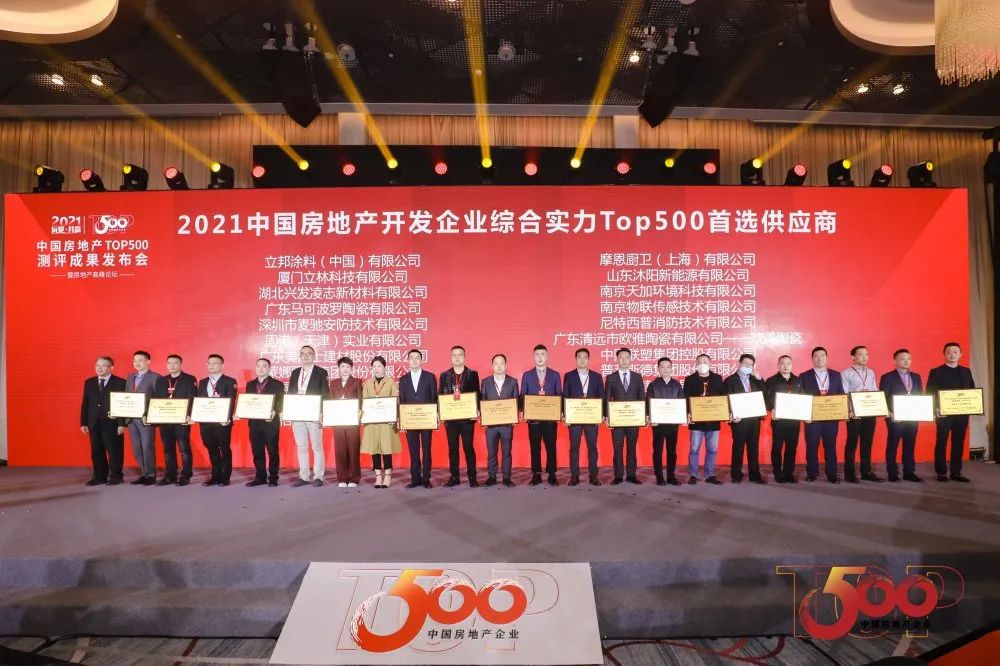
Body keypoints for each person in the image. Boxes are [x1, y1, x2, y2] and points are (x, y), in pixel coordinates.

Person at [926, 342, 975, 482]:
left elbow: (972, 391)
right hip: (943, 413)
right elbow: (929, 392)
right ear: (944, 354)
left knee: (958, 442)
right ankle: (941, 472)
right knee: (941, 441)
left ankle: (956, 472)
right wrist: (934, 408)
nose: (952, 354)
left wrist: (974, 405)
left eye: (955, 352)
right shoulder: (936, 371)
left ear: (960, 355)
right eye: (949, 352)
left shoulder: (966, 371)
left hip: (962, 413)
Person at [150, 354, 197, 486]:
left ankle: (186, 475)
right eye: (169, 363)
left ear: (180, 364)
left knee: (184, 449)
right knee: (168, 449)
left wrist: (189, 415)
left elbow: (193, 398)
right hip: (165, 420)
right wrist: (154, 415)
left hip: (182, 420)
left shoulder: (189, 379)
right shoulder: (161, 381)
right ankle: (170, 475)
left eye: (175, 363)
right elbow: (157, 400)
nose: (172, 365)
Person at [799, 347, 844, 483]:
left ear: (826, 358)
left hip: (831, 418)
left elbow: (841, 394)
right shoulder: (804, 375)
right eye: (816, 356)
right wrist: (804, 415)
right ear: (812, 359)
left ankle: (832, 474)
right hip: (812, 418)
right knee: (812, 446)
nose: (820, 359)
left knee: (830, 446)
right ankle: (812, 473)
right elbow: (801, 397)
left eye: (822, 356)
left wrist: (842, 411)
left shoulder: (836, 375)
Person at [79, 356, 126, 486]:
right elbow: (85, 403)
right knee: (96, 451)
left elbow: (124, 404)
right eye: (97, 365)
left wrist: (122, 424)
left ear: (111, 368)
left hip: (112, 423)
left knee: (114, 450)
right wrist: (83, 423)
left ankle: (116, 476)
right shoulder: (89, 382)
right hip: (93, 422)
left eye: (103, 365)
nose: (99, 368)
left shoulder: (121, 382)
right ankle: (99, 476)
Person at [880, 349, 924, 483]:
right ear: (895, 361)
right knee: (893, 445)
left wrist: (923, 411)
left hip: (912, 416)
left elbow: (921, 396)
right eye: (903, 359)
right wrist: (889, 413)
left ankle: (909, 472)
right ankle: (892, 473)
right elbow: (883, 397)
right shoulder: (887, 377)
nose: (906, 361)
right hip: (895, 418)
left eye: (908, 359)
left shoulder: (916, 377)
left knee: (910, 445)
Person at [288, 345, 330, 488]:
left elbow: (325, 394)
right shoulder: (295, 373)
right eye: (303, 353)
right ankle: (304, 476)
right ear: (300, 356)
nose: (306, 356)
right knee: (301, 446)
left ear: (314, 356)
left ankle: (318, 476)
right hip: (297, 414)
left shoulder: (321, 372)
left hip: (313, 414)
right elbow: (290, 393)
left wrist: (322, 412)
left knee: (317, 447)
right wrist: (288, 411)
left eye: (309, 353)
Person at [841, 345, 884, 483]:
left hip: (869, 412)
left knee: (867, 443)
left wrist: (878, 407)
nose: (865, 357)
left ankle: (866, 472)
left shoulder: (871, 372)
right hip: (854, 414)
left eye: (866, 354)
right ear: (853, 357)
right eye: (861, 354)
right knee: (852, 443)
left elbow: (874, 390)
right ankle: (849, 474)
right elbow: (844, 393)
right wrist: (849, 411)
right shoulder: (846, 373)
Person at [520, 344, 562, 486]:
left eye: (542, 354)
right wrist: (523, 410)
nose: (540, 357)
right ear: (534, 357)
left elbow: (559, 395)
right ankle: (536, 474)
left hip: (550, 419)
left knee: (551, 446)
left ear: (547, 356)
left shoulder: (555, 375)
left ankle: (552, 474)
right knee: (535, 447)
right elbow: (523, 395)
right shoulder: (527, 375)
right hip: (533, 419)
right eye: (537, 354)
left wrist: (559, 412)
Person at [439, 345, 480, 487]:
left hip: (467, 419)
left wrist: (477, 410)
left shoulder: (472, 374)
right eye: (454, 355)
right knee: (453, 449)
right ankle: (454, 477)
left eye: (460, 354)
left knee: (468, 448)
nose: (457, 357)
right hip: (451, 420)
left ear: (464, 356)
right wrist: (440, 412)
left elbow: (477, 393)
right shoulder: (444, 375)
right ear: (451, 357)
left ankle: (472, 477)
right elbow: (440, 395)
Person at [563, 348, 605, 486]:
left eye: (585, 357)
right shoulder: (569, 376)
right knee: (574, 447)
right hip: (574, 418)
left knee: (592, 447)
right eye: (579, 357)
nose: (582, 359)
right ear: (576, 359)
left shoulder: (596, 377)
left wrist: (601, 415)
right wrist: (566, 415)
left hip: (591, 418)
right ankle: (574, 476)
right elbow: (565, 396)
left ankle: (594, 476)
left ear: (588, 359)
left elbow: (602, 397)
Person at [683, 353, 726, 485]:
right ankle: (693, 474)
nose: (702, 364)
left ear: (710, 363)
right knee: (694, 450)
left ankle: (710, 474)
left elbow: (723, 398)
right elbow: (686, 398)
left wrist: (724, 413)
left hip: (713, 422)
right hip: (696, 422)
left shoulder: (717, 378)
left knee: (712, 450)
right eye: (699, 362)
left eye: (705, 362)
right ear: (696, 364)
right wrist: (688, 413)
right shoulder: (690, 379)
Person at [724, 353, 767, 484]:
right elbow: (726, 399)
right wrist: (731, 415)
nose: (747, 366)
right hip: (739, 419)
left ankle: (755, 474)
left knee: (753, 447)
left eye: (750, 365)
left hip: (754, 419)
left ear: (753, 367)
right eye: (745, 363)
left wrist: (759, 379)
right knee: (738, 447)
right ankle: (736, 475)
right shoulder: (730, 380)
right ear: (739, 363)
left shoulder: (755, 379)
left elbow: (765, 394)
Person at [398, 349, 438, 488]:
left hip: (426, 419)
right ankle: (415, 479)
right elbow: (402, 400)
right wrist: (402, 419)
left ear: (421, 360)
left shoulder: (430, 377)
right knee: (413, 451)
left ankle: (426, 478)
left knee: (426, 450)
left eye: (417, 358)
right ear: (408, 361)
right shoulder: (403, 379)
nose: (414, 360)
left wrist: (435, 415)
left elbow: (434, 397)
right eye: (411, 358)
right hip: (410, 420)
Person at [605, 347, 645, 485]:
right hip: (617, 419)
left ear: (630, 359)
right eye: (621, 357)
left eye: (626, 357)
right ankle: (618, 476)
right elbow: (607, 398)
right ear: (617, 359)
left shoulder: (637, 377)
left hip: (634, 419)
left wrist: (644, 416)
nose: (624, 360)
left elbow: (642, 397)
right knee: (617, 448)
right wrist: (607, 417)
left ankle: (632, 475)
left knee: (631, 447)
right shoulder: (611, 377)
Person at [241, 358, 284, 487]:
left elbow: (281, 402)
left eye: (264, 366)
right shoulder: (250, 384)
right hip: (254, 423)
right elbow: (248, 402)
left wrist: (275, 411)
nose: (261, 368)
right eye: (258, 366)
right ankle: (260, 477)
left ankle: (273, 477)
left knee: (272, 451)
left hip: (270, 423)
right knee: (257, 452)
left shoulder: (277, 384)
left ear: (269, 368)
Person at [197, 354, 238, 486]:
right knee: (212, 449)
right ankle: (215, 476)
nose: (212, 365)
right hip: (206, 422)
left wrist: (227, 418)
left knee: (224, 449)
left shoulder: (229, 381)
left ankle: (226, 477)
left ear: (222, 365)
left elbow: (231, 401)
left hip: (222, 422)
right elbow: (199, 401)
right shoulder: (203, 381)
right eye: (210, 363)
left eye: (215, 363)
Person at [360, 356, 400, 488]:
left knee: (386, 448)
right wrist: (363, 416)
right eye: (374, 366)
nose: (376, 369)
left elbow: (395, 400)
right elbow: (364, 402)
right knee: (374, 449)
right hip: (372, 422)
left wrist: (394, 417)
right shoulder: (368, 383)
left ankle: (387, 475)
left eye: (379, 366)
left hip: (386, 422)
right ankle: (378, 476)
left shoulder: (390, 382)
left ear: (384, 367)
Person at [481, 354, 519, 487]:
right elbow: (483, 401)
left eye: (502, 363)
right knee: (491, 452)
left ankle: (506, 477)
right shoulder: (485, 382)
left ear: (506, 365)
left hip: (507, 425)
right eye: (496, 364)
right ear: (492, 366)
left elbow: (516, 401)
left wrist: (514, 416)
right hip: (491, 425)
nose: (499, 366)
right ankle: (492, 477)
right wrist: (483, 418)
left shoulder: (513, 381)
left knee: (506, 452)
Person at [645, 356, 684, 485]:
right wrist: (650, 417)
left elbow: (681, 402)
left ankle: (671, 476)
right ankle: (659, 476)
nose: (665, 369)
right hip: (658, 423)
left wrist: (682, 417)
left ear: (671, 368)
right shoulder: (653, 385)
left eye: (668, 367)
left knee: (672, 451)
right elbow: (648, 402)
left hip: (673, 424)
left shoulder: (676, 384)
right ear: (658, 369)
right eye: (662, 367)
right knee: (658, 450)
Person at [764, 355, 802, 483]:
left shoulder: (798, 380)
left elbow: (803, 398)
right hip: (778, 420)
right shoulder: (771, 381)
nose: (785, 366)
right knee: (777, 447)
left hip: (794, 420)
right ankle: (777, 473)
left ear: (792, 365)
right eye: (782, 363)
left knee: (791, 447)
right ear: (778, 365)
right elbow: (766, 399)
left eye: (788, 363)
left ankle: (788, 473)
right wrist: (771, 409)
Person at [125, 350, 160, 485]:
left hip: (146, 419)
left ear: (148, 362)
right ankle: (144, 473)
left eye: (140, 360)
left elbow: (157, 399)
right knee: (136, 448)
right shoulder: (130, 377)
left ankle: (151, 475)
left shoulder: (155, 377)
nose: (137, 363)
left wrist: (150, 416)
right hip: (131, 419)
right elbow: (127, 396)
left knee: (147, 446)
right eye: (135, 361)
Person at [330, 356, 363, 487]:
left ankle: (354, 478)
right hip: (338, 421)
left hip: (352, 421)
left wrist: (360, 412)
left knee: (353, 449)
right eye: (342, 366)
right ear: (338, 368)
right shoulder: (333, 383)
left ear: (351, 369)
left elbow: (360, 400)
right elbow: (330, 401)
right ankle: (342, 478)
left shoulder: (357, 382)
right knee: (340, 450)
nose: (345, 369)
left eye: (348, 367)